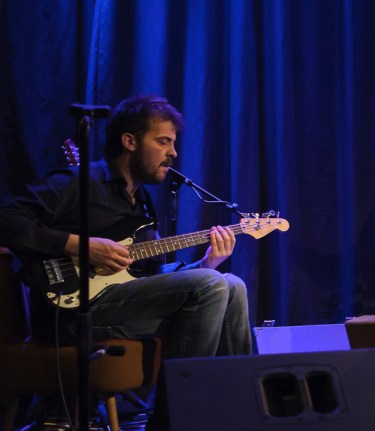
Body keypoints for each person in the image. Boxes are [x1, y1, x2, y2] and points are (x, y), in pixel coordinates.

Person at [0, 94, 253, 358]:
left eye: (173, 143)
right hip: (71, 313)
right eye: (163, 141)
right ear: (129, 141)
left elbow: (146, 276)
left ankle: (239, 383)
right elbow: (6, 220)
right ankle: (185, 386)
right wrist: (79, 246)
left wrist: (204, 264)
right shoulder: (79, 181)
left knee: (233, 285)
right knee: (211, 284)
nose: (173, 153)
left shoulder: (141, 203)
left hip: (122, 302)